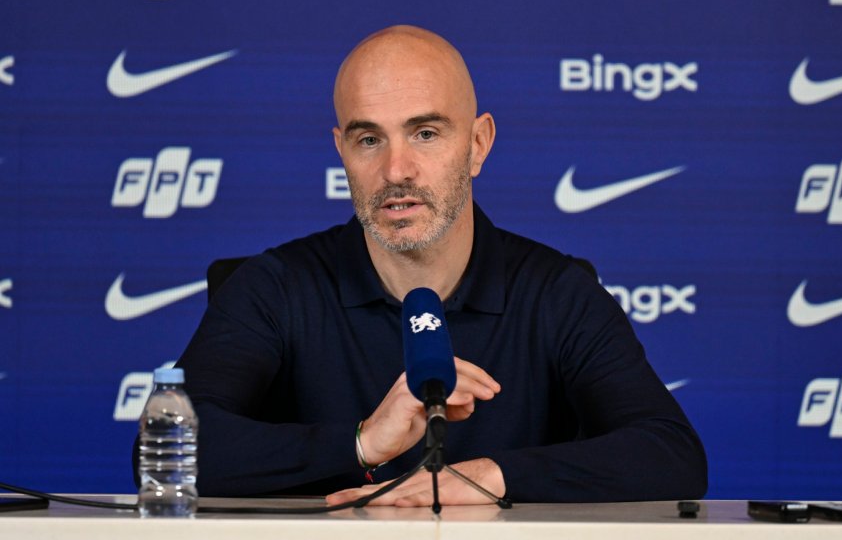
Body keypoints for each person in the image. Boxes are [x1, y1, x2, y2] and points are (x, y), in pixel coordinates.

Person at [169, 25, 707, 505]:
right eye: (368, 139)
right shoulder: (275, 286)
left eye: (425, 133)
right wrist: (361, 442)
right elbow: (172, 449)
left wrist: (489, 477)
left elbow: (671, 453)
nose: (396, 169)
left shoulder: (556, 292)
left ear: (478, 144)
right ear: (341, 151)